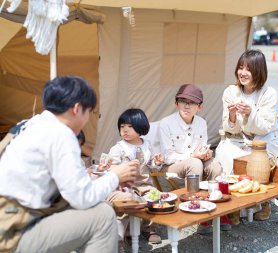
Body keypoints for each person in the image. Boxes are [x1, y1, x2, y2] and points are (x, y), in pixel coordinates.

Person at [0, 76, 139, 253]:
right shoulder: (60, 134)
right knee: (103, 216)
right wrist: (115, 176)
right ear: (77, 109)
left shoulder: (28, 125)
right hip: (13, 232)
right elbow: (82, 198)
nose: (88, 118)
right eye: (89, 111)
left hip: (11, 219)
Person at [215, 49, 278, 221]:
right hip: (238, 138)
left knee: (254, 160)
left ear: (258, 71)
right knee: (225, 153)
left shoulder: (269, 94)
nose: (242, 73)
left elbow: (265, 127)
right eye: (240, 67)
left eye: (248, 69)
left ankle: (261, 202)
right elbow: (230, 127)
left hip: (263, 141)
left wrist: (250, 113)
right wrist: (231, 116)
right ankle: (233, 206)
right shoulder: (231, 92)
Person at [158, 84, 228, 234]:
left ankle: (218, 210)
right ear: (176, 103)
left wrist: (207, 153)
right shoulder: (166, 123)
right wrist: (193, 156)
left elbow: (203, 146)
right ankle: (195, 212)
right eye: (183, 101)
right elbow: (168, 156)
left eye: (192, 102)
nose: (187, 105)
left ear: (199, 107)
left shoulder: (201, 122)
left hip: (195, 161)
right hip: (171, 165)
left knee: (215, 165)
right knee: (195, 163)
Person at [108, 108, 163, 244]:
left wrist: (156, 162)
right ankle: (126, 233)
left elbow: (151, 165)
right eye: (122, 126)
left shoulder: (146, 145)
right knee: (127, 203)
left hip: (145, 185)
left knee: (155, 197)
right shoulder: (119, 148)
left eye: (130, 127)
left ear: (141, 127)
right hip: (126, 186)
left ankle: (149, 229)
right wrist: (119, 167)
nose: (125, 130)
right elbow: (112, 168)